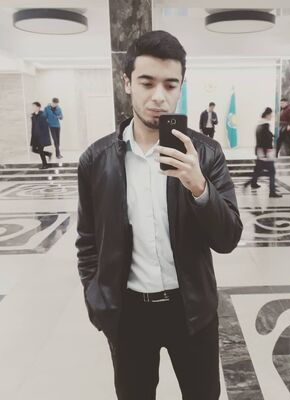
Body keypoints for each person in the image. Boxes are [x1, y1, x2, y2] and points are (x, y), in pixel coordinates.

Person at [75, 30, 242, 400]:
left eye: (170, 84)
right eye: (147, 82)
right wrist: (96, 297)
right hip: (128, 314)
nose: (159, 97)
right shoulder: (96, 160)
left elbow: (228, 238)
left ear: (181, 86)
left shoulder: (206, 153)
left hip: (192, 309)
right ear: (127, 83)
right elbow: (87, 241)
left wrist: (199, 187)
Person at [244, 107, 282, 198]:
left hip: (260, 151)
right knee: (272, 172)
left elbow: (261, 138)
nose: (271, 117)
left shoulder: (259, 124)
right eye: (271, 115)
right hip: (266, 152)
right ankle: (272, 192)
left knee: (258, 170)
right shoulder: (265, 125)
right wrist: (266, 153)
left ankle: (251, 183)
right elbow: (265, 139)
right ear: (267, 115)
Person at [30, 102, 52, 169]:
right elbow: (33, 127)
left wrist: (44, 138)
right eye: (33, 106)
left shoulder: (43, 115)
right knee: (33, 149)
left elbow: (45, 127)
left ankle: (45, 165)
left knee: (40, 150)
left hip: (41, 137)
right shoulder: (33, 116)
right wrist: (32, 137)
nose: (33, 108)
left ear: (38, 107)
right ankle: (48, 154)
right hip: (35, 136)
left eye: (34, 106)